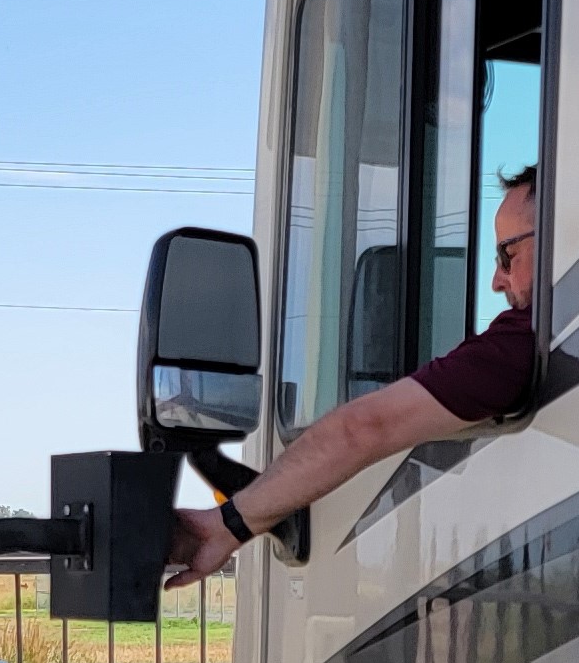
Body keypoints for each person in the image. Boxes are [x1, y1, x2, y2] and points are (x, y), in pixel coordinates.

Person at [164, 167, 538, 584]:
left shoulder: (525, 341)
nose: (496, 281)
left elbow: (363, 428)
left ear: (556, 240)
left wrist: (227, 525)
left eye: (508, 255)